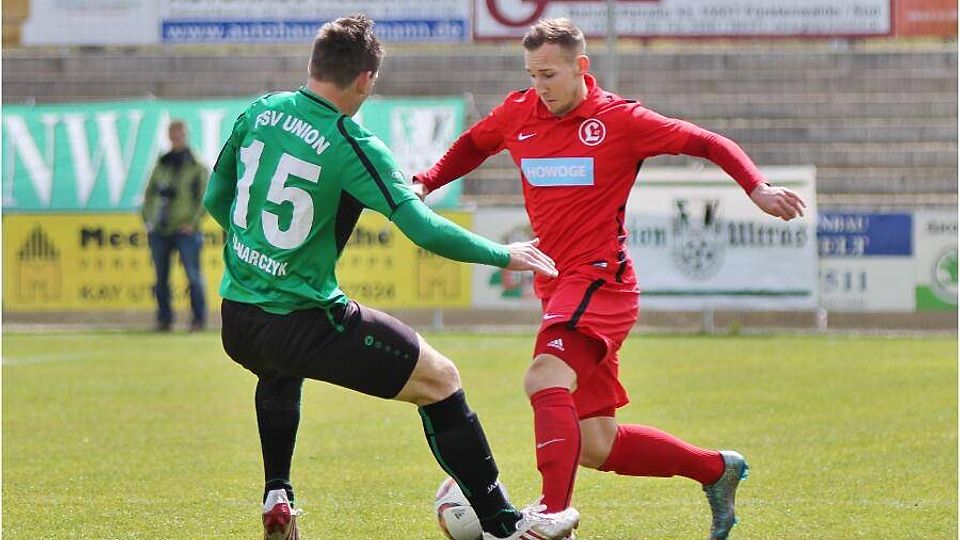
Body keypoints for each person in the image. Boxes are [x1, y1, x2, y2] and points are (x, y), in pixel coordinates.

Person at [413, 18, 807, 540]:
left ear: (581, 66)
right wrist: (426, 181)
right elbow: (474, 144)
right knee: (596, 444)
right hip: (559, 284)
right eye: (532, 75)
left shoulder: (620, 120)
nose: (540, 86)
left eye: (549, 74)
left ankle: (552, 513)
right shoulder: (519, 112)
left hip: (603, 282)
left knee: (543, 378)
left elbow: (707, 141)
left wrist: (756, 187)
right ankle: (716, 469)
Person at [202, 15, 581, 540]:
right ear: (366, 79)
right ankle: (504, 524)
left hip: (239, 320)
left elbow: (215, 199)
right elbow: (422, 228)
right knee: (440, 380)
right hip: (301, 320)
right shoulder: (350, 142)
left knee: (279, 370)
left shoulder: (260, 112)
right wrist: (504, 254)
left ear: (314, 65)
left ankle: (277, 494)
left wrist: (262, 258)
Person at [142, 119, 209, 332]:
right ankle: (164, 320)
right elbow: (149, 194)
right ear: (169, 136)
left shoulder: (197, 165)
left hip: (185, 230)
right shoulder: (162, 163)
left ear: (186, 135)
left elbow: (205, 199)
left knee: (193, 276)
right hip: (161, 229)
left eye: (180, 134)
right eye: (173, 134)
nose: (176, 138)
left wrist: (192, 223)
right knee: (161, 278)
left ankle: (198, 320)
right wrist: (149, 220)